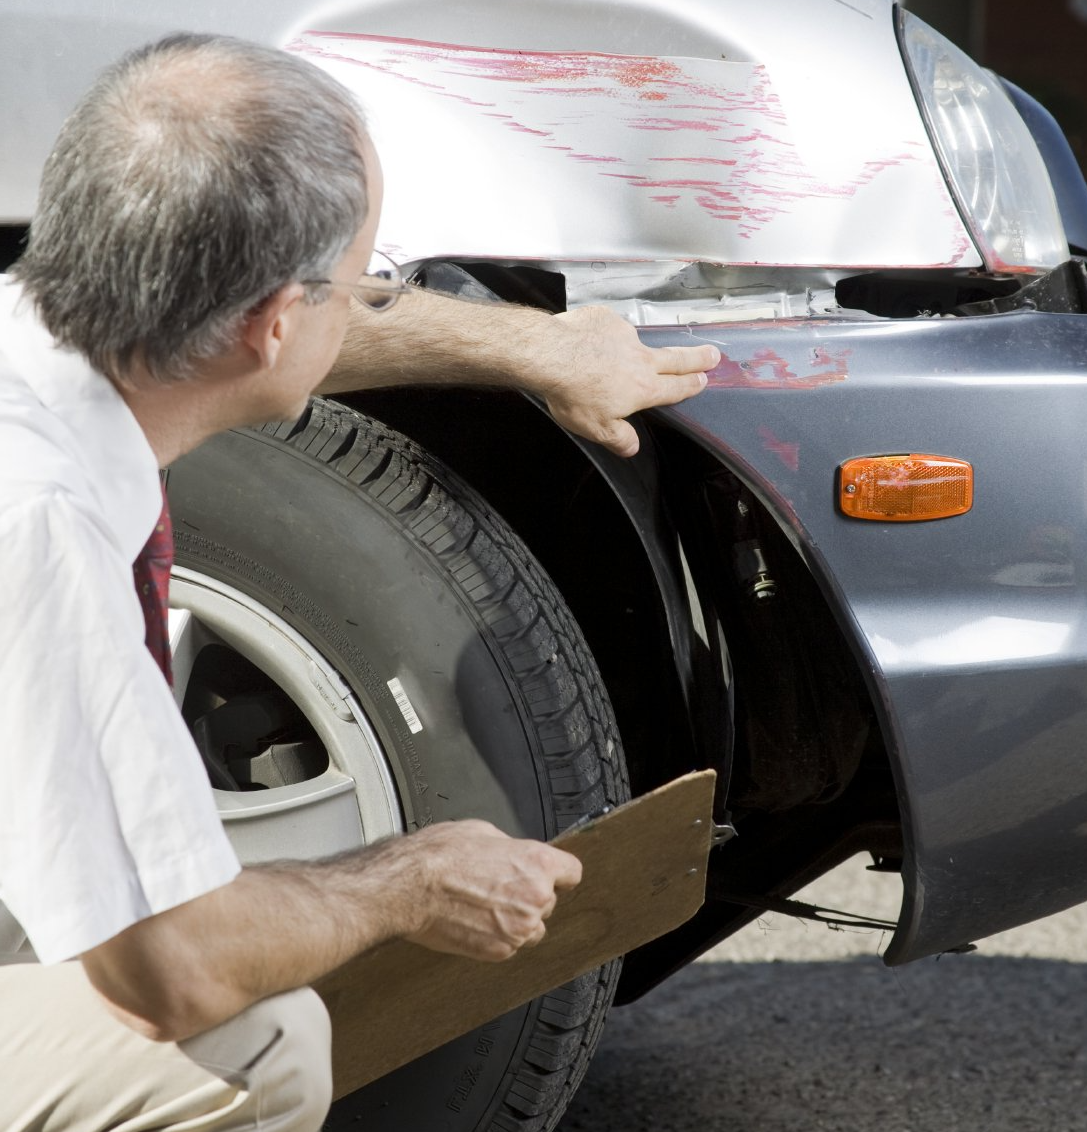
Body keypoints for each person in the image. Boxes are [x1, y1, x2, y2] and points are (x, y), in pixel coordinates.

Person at [0, 31, 717, 1132]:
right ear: (277, 322)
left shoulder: (39, 339)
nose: (371, 298)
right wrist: (405, 882)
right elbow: (169, 972)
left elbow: (249, 326)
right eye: (363, 281)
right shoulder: (40, 526)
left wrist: (535, 350)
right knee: (247, 1043)